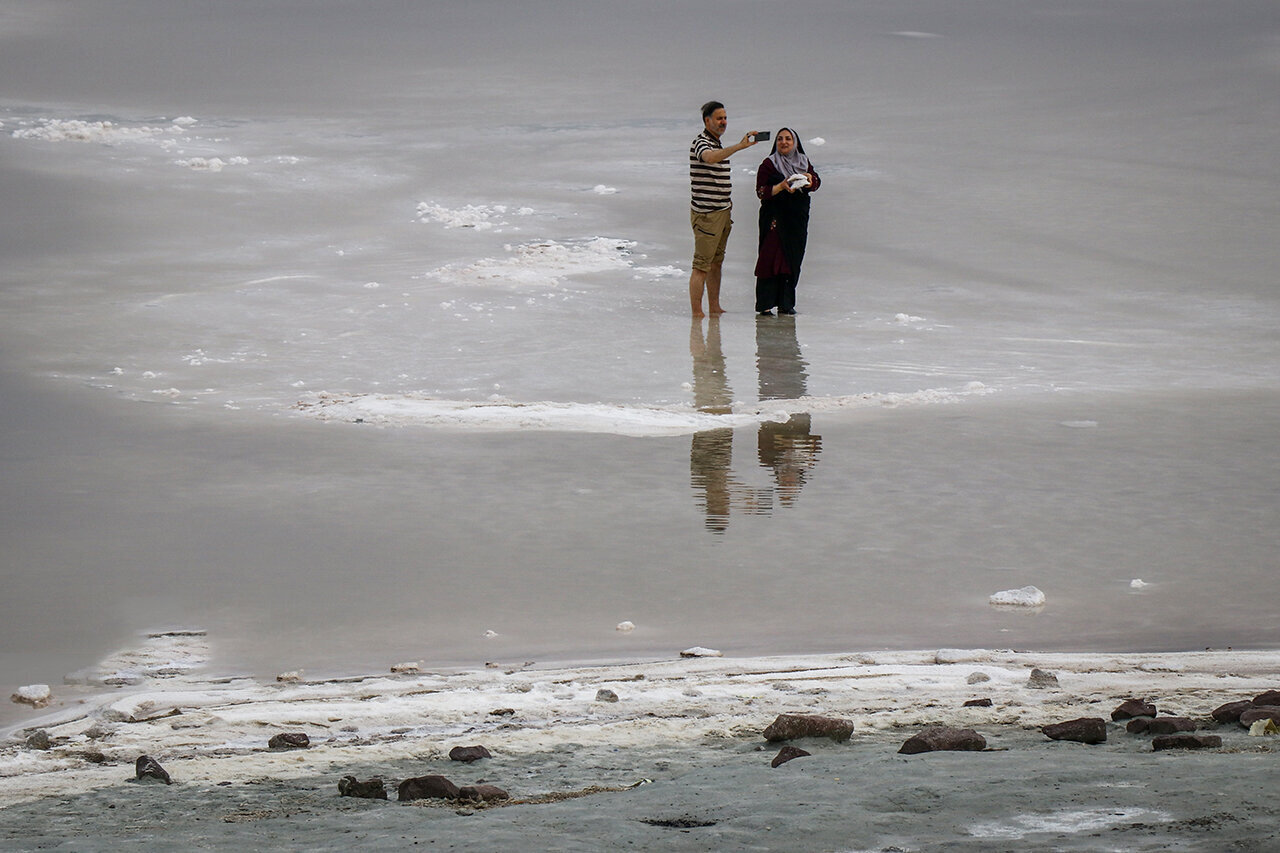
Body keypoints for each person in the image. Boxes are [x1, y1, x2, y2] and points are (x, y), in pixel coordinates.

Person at [689, 101, 761, 317]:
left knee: (716, 263)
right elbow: (709, 158)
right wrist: (739, 146)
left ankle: (714, 306)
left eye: (725, 118)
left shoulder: (717, 144)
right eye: (719, 118)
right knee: (701, 265)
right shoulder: (701, 143)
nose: (723, 122)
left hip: (722, 212)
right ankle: (697, 312)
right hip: (707, 216)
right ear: (707, 120)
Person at [754, 128, 820, 315]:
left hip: (796, 222)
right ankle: (765, 304)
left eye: (788, 139)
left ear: (795, 142)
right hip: (774, 221)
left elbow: (816, 183)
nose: (784, 142)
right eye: (780, 139)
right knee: (770, 260)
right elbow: (761, 191)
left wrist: (809, 180)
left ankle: (786, 304)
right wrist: (781, 187)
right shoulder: (768, 164)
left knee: (791, 261)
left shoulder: (804, 162)